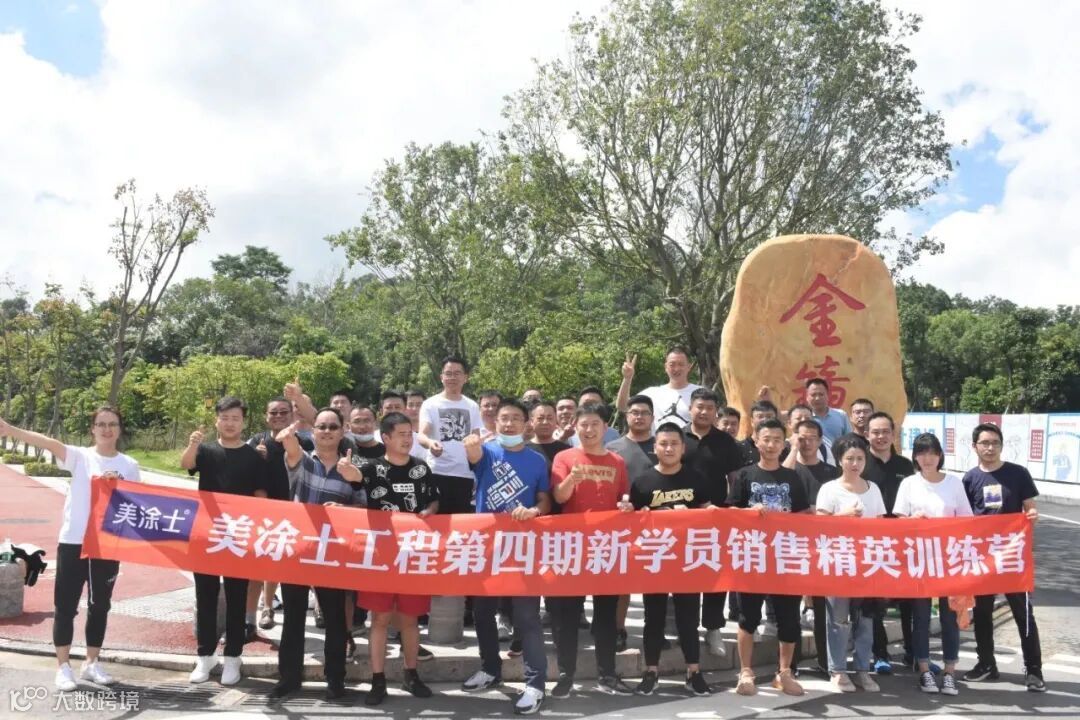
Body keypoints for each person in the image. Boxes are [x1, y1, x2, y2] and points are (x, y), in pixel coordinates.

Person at [0, 408, 140, 692]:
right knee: (65, 606)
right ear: (93, 429)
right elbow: (48, 442)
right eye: (101, 424)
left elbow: (137, 504)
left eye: (112, 424)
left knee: (100, 605)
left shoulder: (129, 465)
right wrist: (11, 430)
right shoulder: (80, 457)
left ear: (120, 428)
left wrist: (120, 488)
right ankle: (63, 667)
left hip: (107, 544)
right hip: (74, 541)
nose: (107, 429)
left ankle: (91, 663)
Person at [461, 399, 551, 715]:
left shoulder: (537, 460)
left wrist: (535, 511)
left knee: (526, 617)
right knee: (483, 612)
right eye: (503, 418)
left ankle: (535, 684)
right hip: (487, 546)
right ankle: (490, 669)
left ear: (527, 424)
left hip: (524, 548)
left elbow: (544, 498)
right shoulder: (486, 452)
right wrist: (472, 448)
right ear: (495, 422)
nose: (509, 423)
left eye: (515, 418)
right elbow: (474, 458)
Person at [270, 408, 365, 701]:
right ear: (313, 431)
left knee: (335, 618)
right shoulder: (303, 461)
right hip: (298, 549)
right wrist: (288, 437)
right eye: (321, 426)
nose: (326, 431)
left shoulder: (353, 468)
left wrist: (346, 506)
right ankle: (289, 678)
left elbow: (364, 510)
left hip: (333, 553)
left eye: (333, 426)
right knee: (293, 616)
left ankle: (335, 679)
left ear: (343, 431)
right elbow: (291, 450)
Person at [550, 403, 634, 697]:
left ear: (604, 427)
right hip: (572, 547)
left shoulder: (617, 461)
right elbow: (559, 497)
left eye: (594, 424)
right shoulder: (564, 457)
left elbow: (624, 500)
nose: (588, 430)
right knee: (568, 616)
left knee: (606, 616)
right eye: (583, 424)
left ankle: (607, 674)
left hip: (605, 548)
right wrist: (572, 478)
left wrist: (626, 507)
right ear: (575, 427)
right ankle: (566, 675)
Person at [181, 396, 265, 687]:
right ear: (217, 420)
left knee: (236, 596)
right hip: (206, 532)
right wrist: (192, 444)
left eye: (235, 418)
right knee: (204, 594)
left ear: (243, 422)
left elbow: (261, 495)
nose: (230, 423)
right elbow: (186, 464)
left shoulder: (253, 456)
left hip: (238, 534)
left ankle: (233, 657)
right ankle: (205, 656)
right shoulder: (206, 450)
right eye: (225, 418)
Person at [355, 411, 438, 706]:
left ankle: (411, 674)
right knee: (379, 618)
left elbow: (433, 499)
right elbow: (354, 480)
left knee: (410, 619)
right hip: (380, 554)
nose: (407, 439)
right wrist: (347, 470)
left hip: (413, 554)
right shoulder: (371, 468)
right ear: (386, 437)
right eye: (401, 434)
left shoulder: (421, 468)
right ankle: (377, 680)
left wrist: (430, 511)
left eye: (409, 434)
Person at [727, 418, 810, 697]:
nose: (772, 445)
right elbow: (730, 514)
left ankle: (784, 673)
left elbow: (804, 514)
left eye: (777, 440)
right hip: (752, 557)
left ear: (784, 444)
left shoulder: (792, 478)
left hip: (785, 557)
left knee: (789, 619)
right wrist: (748, 513)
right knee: (748, 617)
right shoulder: (744, 475)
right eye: (766, 439)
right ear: (756, 440)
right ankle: (745, 672)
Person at [962, 422, 1045, 692]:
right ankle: (987, 664)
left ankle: (1034, 670)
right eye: (984, 443)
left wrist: (1031, 517)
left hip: (1012, 558)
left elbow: (1030, 509)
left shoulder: (1018, 474)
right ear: (974, 446)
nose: (990, 448)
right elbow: (963, 519)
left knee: (1023, 614)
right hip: (983, 560)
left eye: (995, 443)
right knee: (982, 614)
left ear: (1001, 445)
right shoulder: (970, 479)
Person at [631, 423, 712, 696]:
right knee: (653, 617)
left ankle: (694, 672)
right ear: (655, 448)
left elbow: (707, 512)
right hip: (655, 558)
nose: (668, 449)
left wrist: (713, 512)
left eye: (674, 443)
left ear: (683, 447)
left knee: (688, 618)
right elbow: (632, 522)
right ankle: (651, 671)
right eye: (663, 444)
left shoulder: (696, 478)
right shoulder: (642, 482)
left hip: (688, 559)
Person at [894, 433, 971, 696]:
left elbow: (967, 520)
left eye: (932, 453)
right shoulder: (908, 484)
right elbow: (898, 521)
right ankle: (924, 669)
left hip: (949, 561)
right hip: (918, 561)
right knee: (921, 617)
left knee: (950, 618)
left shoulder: (954, 483)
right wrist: (913, 519)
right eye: (921, 453)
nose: (927, 458)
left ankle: (950, 672)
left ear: (940, 455)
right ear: (915, 456)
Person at [815, 433, 886, 694]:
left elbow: (881, 524)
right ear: (839, 460)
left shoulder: (873, 489)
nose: (855, 464)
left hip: (867, 562)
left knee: (866, 619)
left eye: (860, 458)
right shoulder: (829, 489)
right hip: (839, 562)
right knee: (838, 619)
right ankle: (838, 670)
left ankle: (863, 669)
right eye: (849, 458)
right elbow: (818, 526)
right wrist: (843, 516)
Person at [682, 388, 742, 657]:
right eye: (699, 406)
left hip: (717, 516)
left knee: (716, 573)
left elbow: (734, 478)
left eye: (709, 408)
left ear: (716, 412)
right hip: (682, 517)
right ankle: (687, 626)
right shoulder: (677, 436)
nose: (703, 412)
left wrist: (730, 507)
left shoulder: (725, 442)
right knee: (686, 573)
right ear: (690, 408)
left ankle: (713, 627)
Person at [247, 397, 313, 632]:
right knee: (261, 566)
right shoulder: (257, 441)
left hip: (299, 512)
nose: (278, 416)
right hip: (265, 512)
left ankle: (314, 611)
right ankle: (261, 612)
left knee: (299, 565)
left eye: (283, 412)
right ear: (266, 417)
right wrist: (254, 458)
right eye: (273, 413)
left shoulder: (305, 441)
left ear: (292, 415)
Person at [782, 419, 839, 673]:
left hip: (823, 547)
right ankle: (789, 665)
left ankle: (826, 662)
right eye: (801, 438)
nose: (807, 443)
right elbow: (780, 481)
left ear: (820, 440)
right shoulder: (789, 468)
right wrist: (793, 449)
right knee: (790, 608)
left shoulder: (831, 472)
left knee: (824, 608)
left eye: (812, 438)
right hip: (792, 546)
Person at [862, 410, 915, 674]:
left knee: (909, 601)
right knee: (875, 603)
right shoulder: (860, 464)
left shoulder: (906, 466)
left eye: (885, 432)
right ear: (866, 434)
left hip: (904, 542)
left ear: (894, 434)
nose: (881, 436)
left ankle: (913, 652)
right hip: (872, 543)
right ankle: (880, 654)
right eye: (875, 432)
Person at [605, 393, 659, 653]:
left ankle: (654, 631)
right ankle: (617, 629)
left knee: (655, 580)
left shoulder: (662, 445)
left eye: (644, 413)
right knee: (621, 580)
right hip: (620, 521)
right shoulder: (612, 447)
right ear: (627, 416)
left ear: (652, 417)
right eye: (634, 412)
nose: (639, 417)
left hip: (655, 522)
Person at [416, 356, 483, 514]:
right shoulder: (430, 404)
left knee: (461, 523)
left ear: (465, 377)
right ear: (441, 377)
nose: (452, 377)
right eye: (448, 373)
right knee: (435, 519)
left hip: (465, 474)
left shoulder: (472, 406)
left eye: (457, 373)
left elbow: (476, 439)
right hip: (437, 472)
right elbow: (422, 435)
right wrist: (431, 444)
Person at [616, 346, 702, 430]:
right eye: (672, 364)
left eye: (681, 364)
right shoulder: (652, 393)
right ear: (666, 367)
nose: (676, 369)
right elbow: (622, 406)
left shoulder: (701, 393)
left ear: (689, 367)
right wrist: (627, 378)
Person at [804, 378, 852, 443]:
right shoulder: (804, 418)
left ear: (827, 395)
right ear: (807, 397)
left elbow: (849, 440)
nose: (817, 398)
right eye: (813, 395)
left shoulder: (841, 415)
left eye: (821, 394)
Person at [527, 400, 570, 468]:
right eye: (540, 418)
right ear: (532, 421)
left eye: (550, 418)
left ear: (556, 421)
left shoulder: (567, 450)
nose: (545, 422)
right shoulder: (522, 449)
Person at [737, 400, 779, 467]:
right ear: (752, 421)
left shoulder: (783, 448)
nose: (764, 420)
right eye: (760, 416)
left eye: (769, 416)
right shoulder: (739, 448)